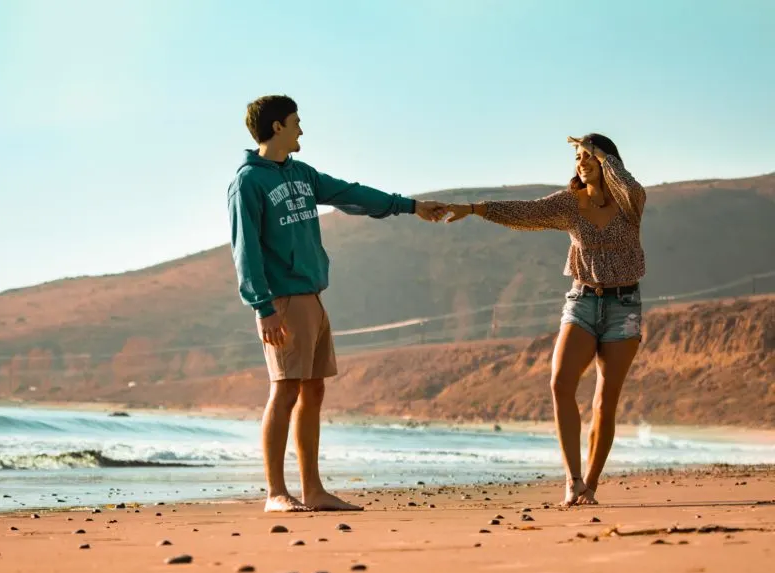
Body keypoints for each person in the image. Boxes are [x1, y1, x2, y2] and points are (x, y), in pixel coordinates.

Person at [227, 95, 445, 512]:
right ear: (277, 127)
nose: (301, 130)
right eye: (296, 122)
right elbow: (245, 250)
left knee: (314, 390)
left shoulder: (302, 173)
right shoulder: (248, 182)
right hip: (282, 300)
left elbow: (351, 194)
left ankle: (313, 491)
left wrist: (410, 206)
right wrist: (262, 306)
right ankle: (275, 493)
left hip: (312, 295)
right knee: (285, 390)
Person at [442, 134, 647, 506]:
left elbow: (628, 183)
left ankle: (591, 486)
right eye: (578, 157)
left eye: (588, 157)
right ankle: (572, 479)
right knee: (560, 384)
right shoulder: (570, 204)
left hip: (624, 307)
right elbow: (525, 212)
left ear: (607, 161)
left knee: (605, 401)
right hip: (582, 302)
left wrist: (601, 152)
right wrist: (475, 208)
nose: (581, 162)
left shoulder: (630, 203)